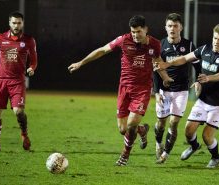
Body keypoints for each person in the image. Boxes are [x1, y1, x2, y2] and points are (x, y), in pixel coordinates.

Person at [68, 15, 173, 166]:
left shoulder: (155, 44)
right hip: (124, 89)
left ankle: (125, 155)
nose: (135, 35)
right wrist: (81, 63)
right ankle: (142, 130)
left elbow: (157, 62)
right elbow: (103, 50)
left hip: (142, 90)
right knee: (123, 129)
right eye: (133, 32)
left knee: (131, 125)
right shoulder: (123, 40)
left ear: (146, 29)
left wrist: (165, 77)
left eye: (138, 31)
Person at [156, 24, 219, 168]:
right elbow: (185, 58)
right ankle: (194, 146)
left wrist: (208, 78)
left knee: (207, 136)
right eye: (215, 38)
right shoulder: (204, 49)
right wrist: (167, 64)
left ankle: (216, 157)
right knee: (188, 131)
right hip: (203, 100)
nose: (216, 41)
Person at [0, 11, 37, 152]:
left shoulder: (28, 40)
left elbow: (34, 60)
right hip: (1, 80)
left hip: (17, 82)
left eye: (19, 23)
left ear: (22, 23)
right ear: (9, 23)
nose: (16, 25)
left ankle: (24, 135)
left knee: (19, 112)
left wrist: (31, 68)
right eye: (14, 22)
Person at [153, 13, 200, 164]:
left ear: (181, 27)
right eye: (169, 26)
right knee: (161, 123)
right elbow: (156, 69)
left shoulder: (189, 45)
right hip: (164, 90)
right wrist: (156, 92)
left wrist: (199, 80)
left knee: (173, 122)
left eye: (175, 26)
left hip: (181, 90)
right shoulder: (159, 46)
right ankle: (158, 143)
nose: (172, 29)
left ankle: (165, 154)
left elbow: (197, 65)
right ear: (165, 28)